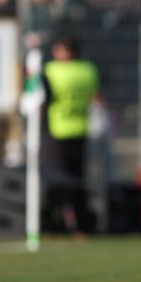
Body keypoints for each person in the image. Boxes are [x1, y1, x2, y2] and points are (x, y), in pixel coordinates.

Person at [42, 36, 99, 233]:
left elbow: (41, 96)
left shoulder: (52, 71)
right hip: (81, 129)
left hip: (57, 130)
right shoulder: (88, 70)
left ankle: (52, 222)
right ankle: (81, 224)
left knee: (55, 180)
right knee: (78, 180)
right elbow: (95, 96)